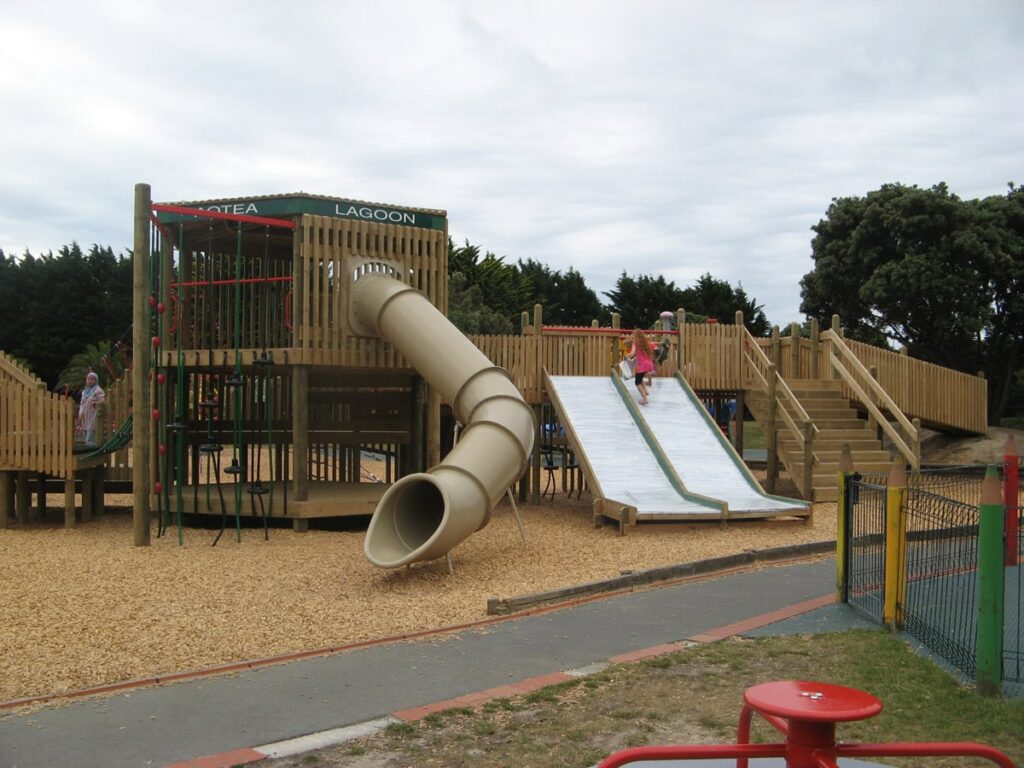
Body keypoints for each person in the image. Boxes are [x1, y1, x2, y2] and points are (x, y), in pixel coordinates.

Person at [626, 329, 657, 405]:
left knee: (637, 382)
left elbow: (632, 354)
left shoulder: (635, 343)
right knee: (640, 377)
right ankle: (645, 391)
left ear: (635, 336)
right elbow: (655, 349)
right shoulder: (646, 343)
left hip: (642, 365)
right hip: (649, 364)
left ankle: (645, 399)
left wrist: (627, 356)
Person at [76, 371, 106, 446]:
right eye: (88, 379)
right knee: (85, 436)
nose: (90, 381)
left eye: (93, 379)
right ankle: (88, 452)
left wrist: (96, 403)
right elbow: (82, 404)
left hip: (93, 416)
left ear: (96, 381)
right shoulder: (85, 392)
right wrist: (80, 415)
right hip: (84, 418)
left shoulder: (98, 391)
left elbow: (102, 402)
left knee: (90, 438)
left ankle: (90, 455)